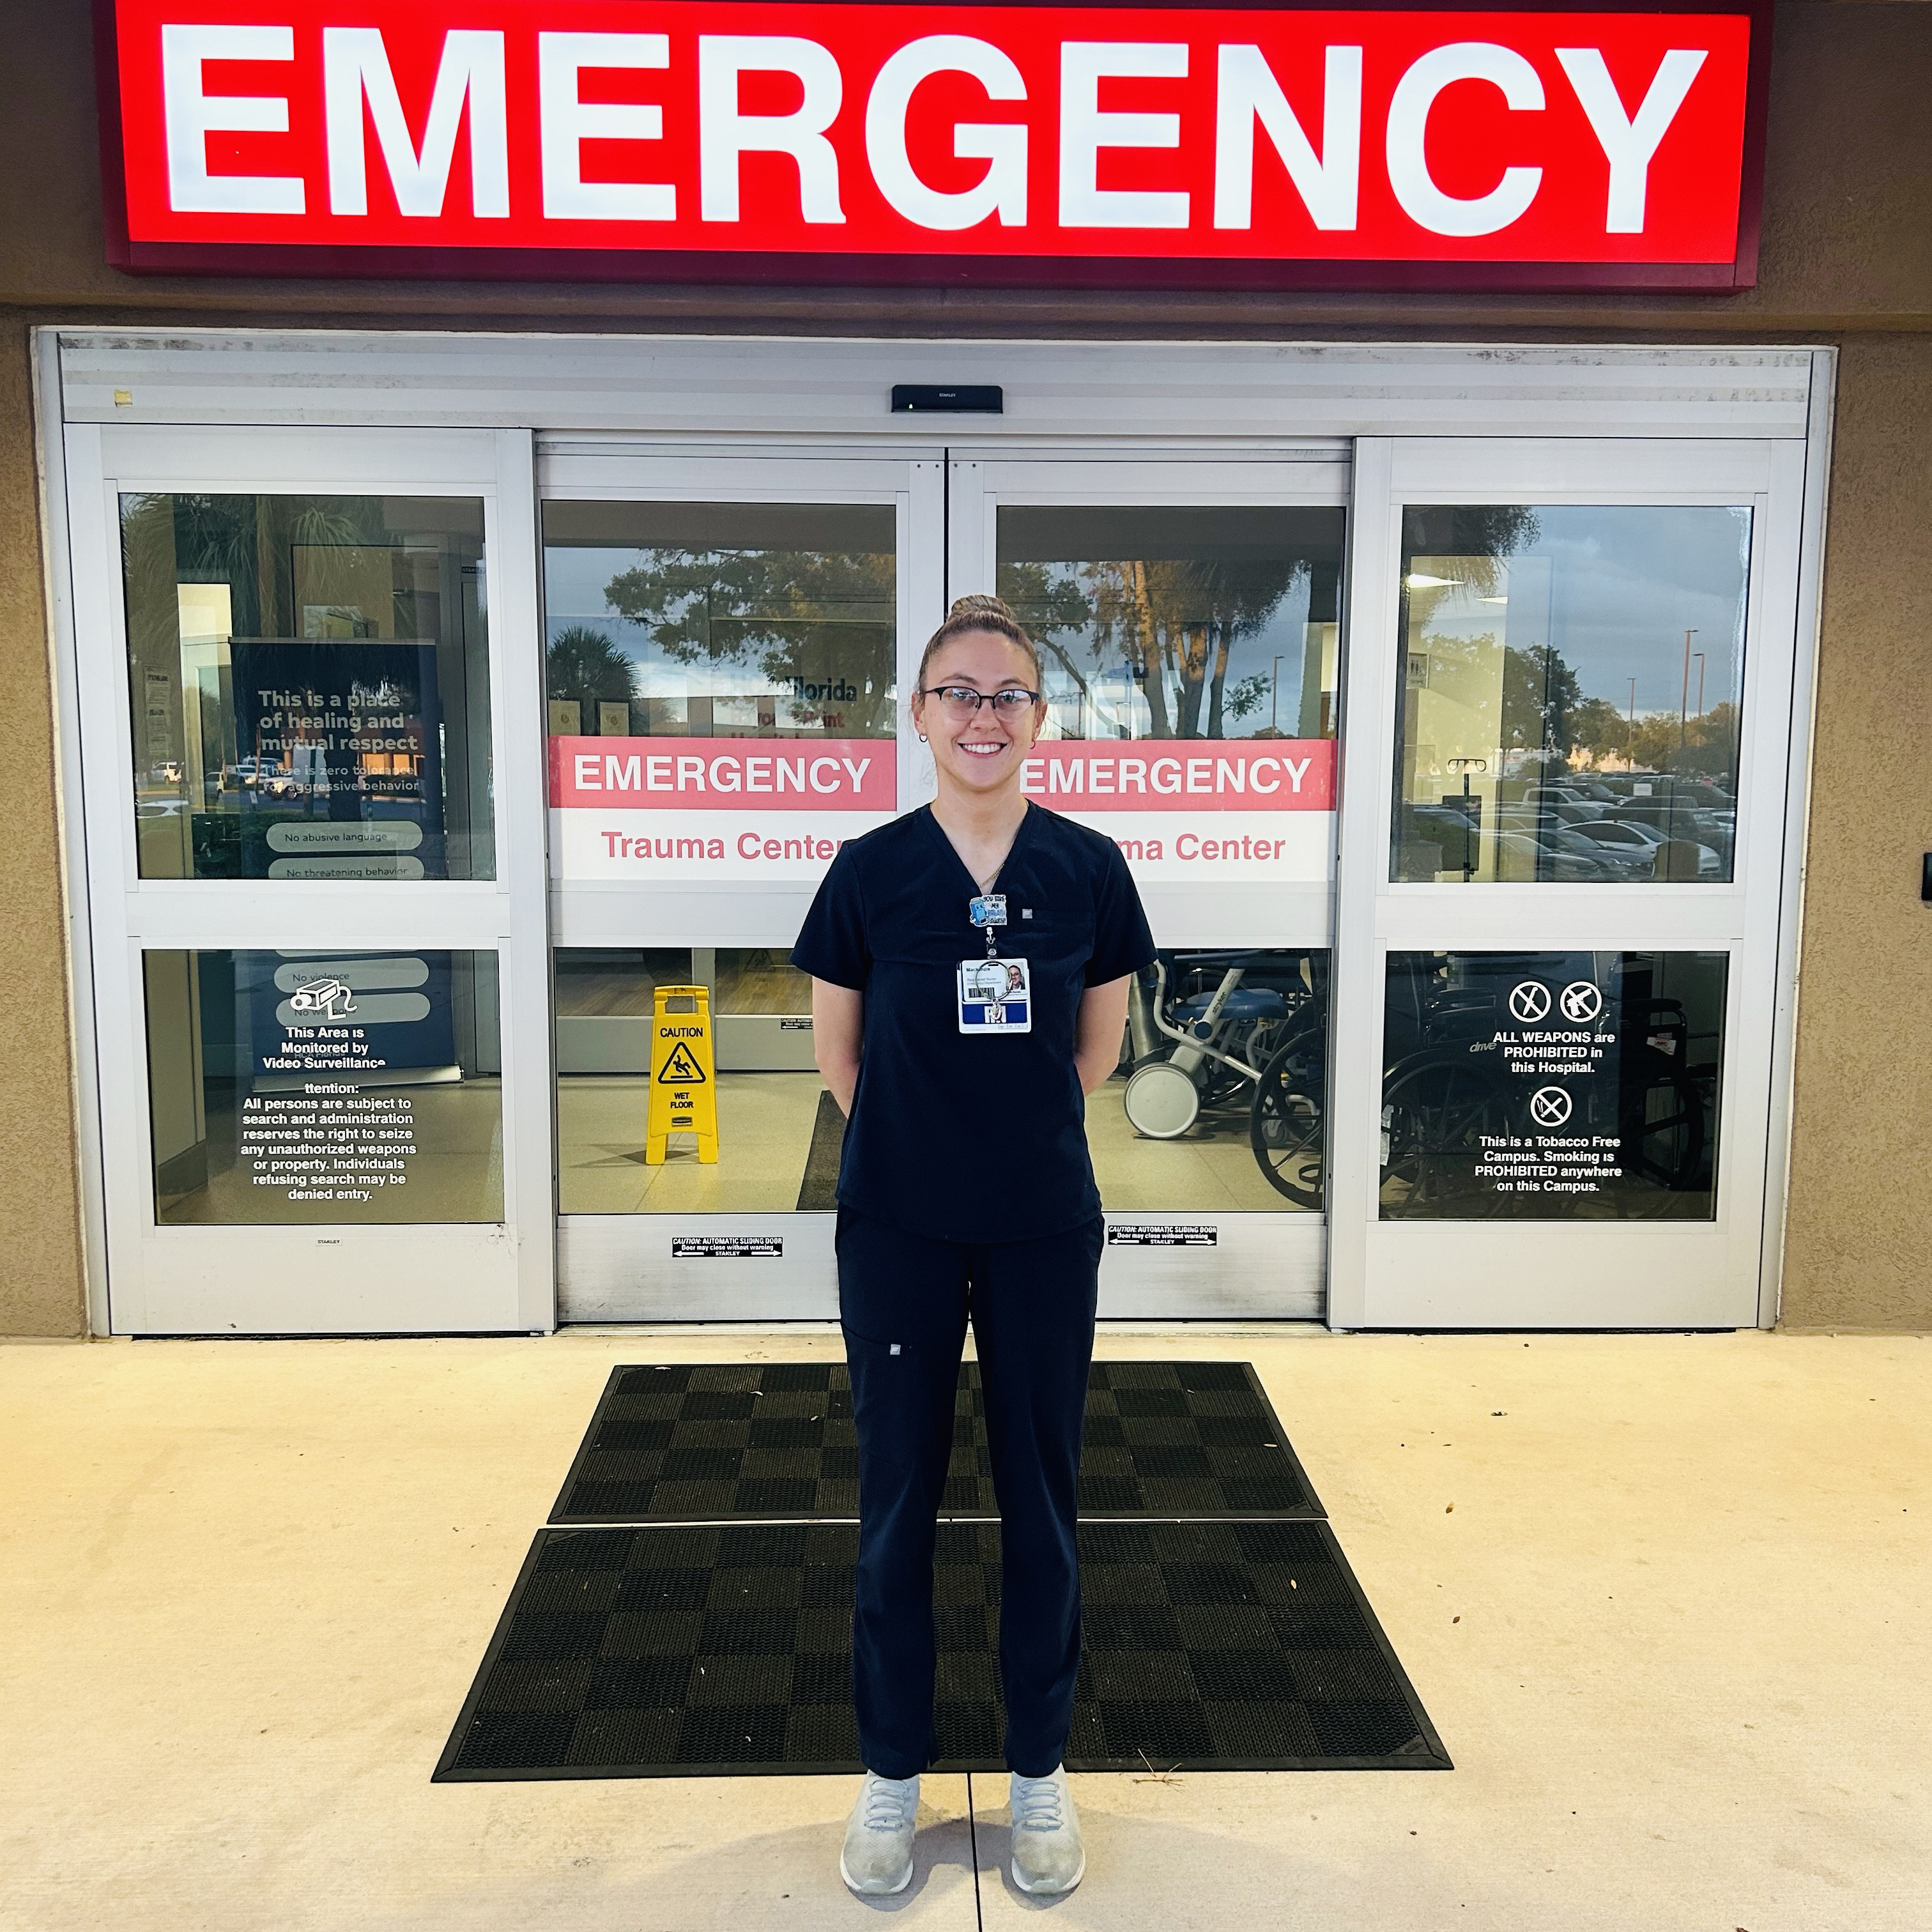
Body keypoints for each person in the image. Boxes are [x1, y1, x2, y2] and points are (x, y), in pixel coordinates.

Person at [790, 594, 1155, 1899]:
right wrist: (928, 1150)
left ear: (1039, 717)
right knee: (897, 1503)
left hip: (1043, 1228)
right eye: (960, 692)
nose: (984, 715)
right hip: (897, 1224)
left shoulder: (1089, 870)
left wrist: (1003, 1143)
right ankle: (892, 1781)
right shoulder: (871, 871)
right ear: (920, 714)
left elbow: (1095, 1053)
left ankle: (1038, 1779)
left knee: (1041, 1505)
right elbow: (842, 1058)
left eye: (1007, 694)